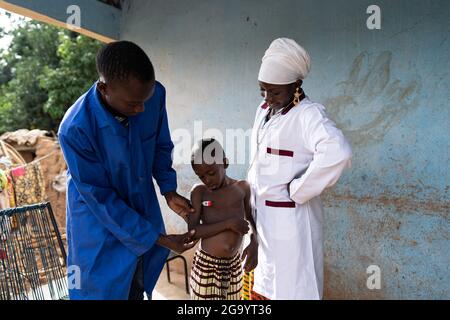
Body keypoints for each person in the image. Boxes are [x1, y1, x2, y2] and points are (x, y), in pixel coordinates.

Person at [58, 41, 196, 300]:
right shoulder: (76, 128)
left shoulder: (152, 95)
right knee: (104, 289)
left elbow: (160, 144)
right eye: (133, 104)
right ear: (104, 88)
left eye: (145, 100)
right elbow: (100, 198)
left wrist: (169, 190)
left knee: (137, 284)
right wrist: (159, 238)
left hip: (141, 210)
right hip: (98, 224)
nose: (141, 109)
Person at [247, 38, 352, 300]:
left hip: (292, 224)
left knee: (294, 289)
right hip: (262, 221)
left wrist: (298, 190)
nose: (268, 98)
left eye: (275, 92)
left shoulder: (309, 115)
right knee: (265, 286)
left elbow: (338, 152)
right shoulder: (263, 111)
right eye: (263, 90)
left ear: (296, 85)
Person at [188, 138, 258, 300]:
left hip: (234, 266)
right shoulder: (200, 192)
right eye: (201, 176)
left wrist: (254, 242)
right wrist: (228, 224)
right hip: (207, 266)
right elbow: (193, 231)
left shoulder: (242, 188)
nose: (207, 180)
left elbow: (252, 220)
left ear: (225, 162)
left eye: (211, 173)